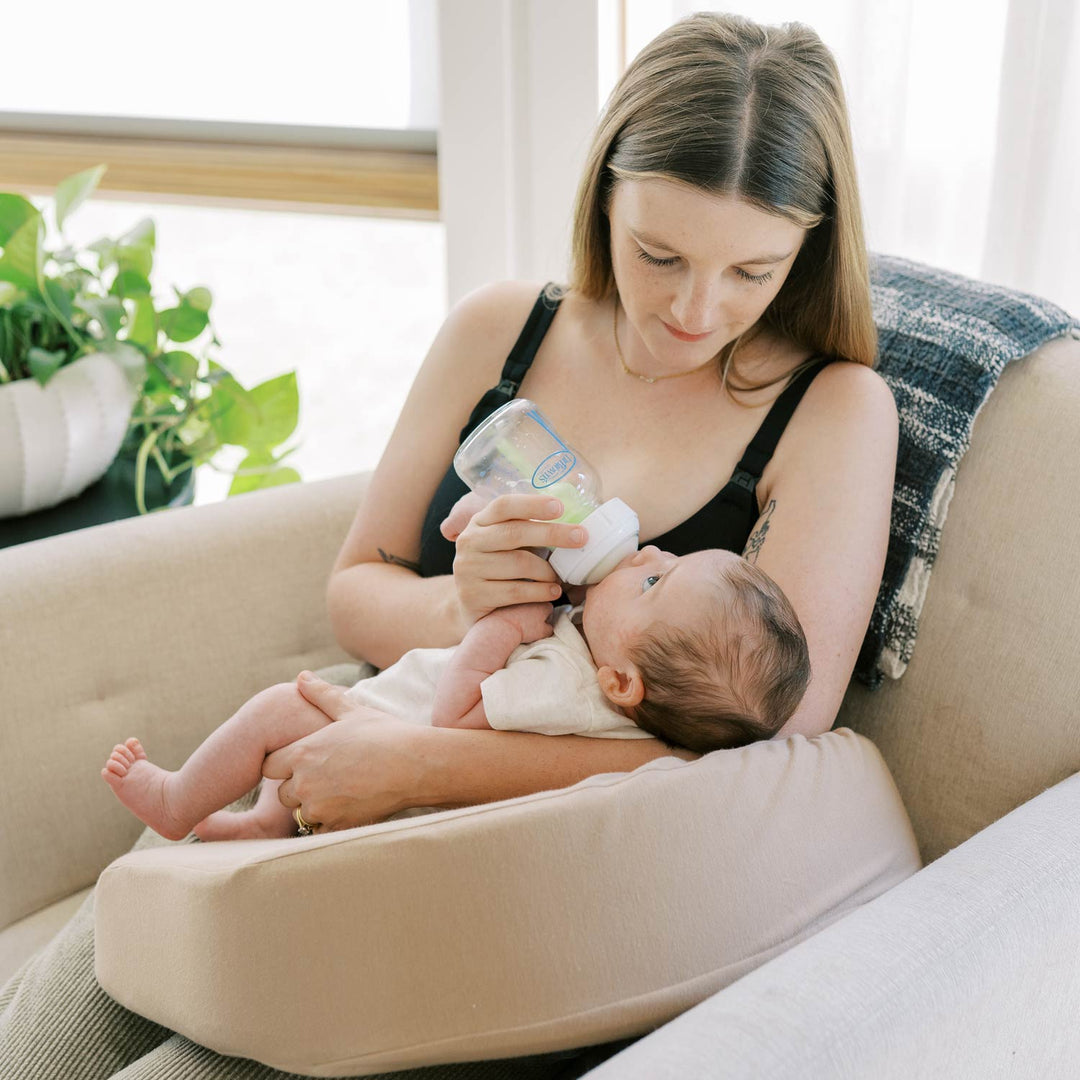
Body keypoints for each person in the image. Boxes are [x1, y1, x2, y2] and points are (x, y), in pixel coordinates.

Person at [1, 12, 899, 1079]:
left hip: (534, 865)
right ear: (604, 191)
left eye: (752, 272)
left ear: (811, 246)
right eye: (658, 253)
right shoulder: (501, 330)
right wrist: (459, 608)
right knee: (61, 1021)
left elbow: (761, 745)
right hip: (356, 719)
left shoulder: (833, 411)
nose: (696, 311)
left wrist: (415, 764)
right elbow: (357, 585)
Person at [101, 545, 811, 842]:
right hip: (386, 722)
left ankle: (176, 800)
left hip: (389, 726)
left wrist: (497, 630)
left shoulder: (561, 683)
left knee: (274, 711)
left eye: (658, 582)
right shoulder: (605, 686)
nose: (651, 554)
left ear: (623, 682)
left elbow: (455, 720)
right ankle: (265, 820)